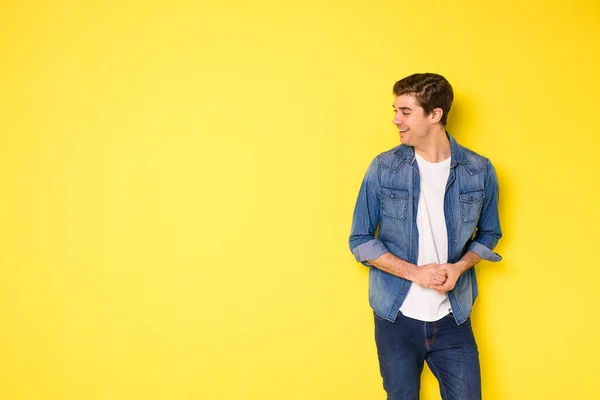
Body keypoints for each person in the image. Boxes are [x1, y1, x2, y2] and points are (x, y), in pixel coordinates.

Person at [348, 73, 502, 400]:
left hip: (452, 319)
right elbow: (359, 239)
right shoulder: (383, 168)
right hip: (396, 319)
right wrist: (414, 273)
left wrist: (459, 268)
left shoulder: (480, 170)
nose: (396, 120)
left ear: (435, 115)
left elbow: (490, 234)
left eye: (405, 112)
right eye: (395, 110)